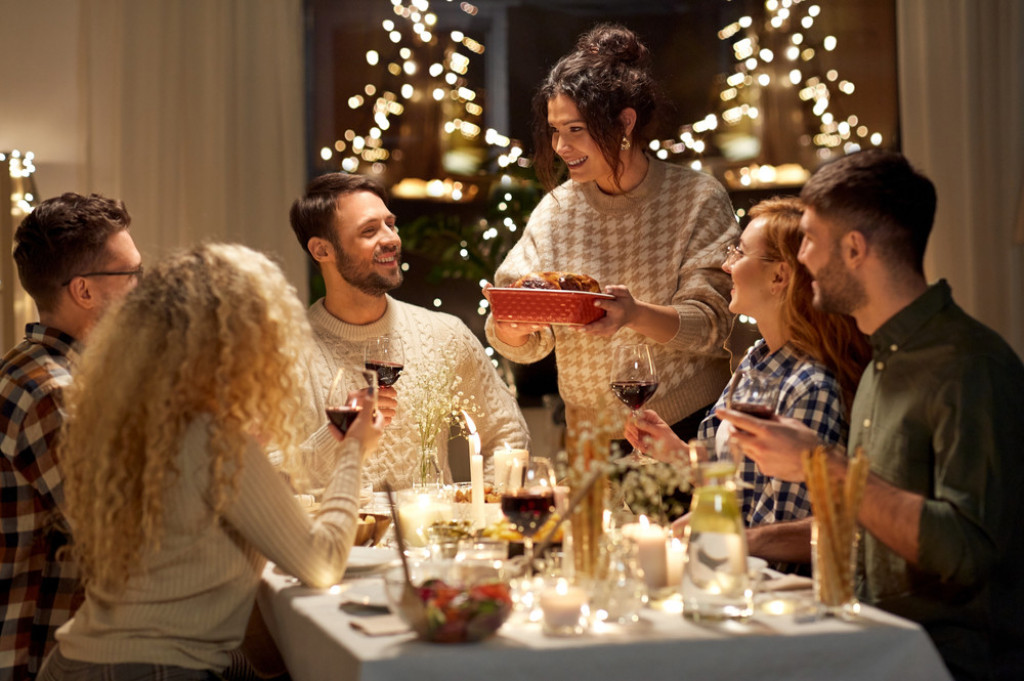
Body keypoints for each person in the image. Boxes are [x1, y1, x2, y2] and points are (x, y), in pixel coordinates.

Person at [719, 150, 1024, 681]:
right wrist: (758, 541)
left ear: (855, 249)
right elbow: (874, 522)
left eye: (810, 239)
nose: (802, 259)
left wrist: (822, 465)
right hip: (872, 636)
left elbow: (967, 551)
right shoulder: (882, 360)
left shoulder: (970, 366)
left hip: (943, 661)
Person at [38, 243, 382, 680]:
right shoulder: (213, 438)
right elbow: (322, 562)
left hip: (75, 662)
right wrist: (353, 450)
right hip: (151, 671)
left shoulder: (139, 427)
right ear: (235, 343)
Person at [485, 24, 737, 443]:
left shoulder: (696, 199)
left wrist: (634, 314)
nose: (560, 146)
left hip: (685, 428)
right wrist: (513, 325)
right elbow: (515, 329)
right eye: (555, 130)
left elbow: (716, 326)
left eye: (576, 129)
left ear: (625, 122)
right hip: (590, 439)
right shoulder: (556, 211)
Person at [625, 196, 870, 571]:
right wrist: (675, 452)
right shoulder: (756, 359)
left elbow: (782, 535)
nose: (727, 265)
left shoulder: (810, 385)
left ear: (779, 277)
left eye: (738, 252)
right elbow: (739, 487)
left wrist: (711, 540)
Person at [288, 173, 528, 490]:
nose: (391, 239)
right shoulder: (283, 352)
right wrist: (337, 432)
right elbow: (261, 474)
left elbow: (508, 432)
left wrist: (483, 508)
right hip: (337, 525)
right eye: (369, 230)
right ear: (322, 250)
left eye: (390, 224)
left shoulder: (444, 335)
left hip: (433, 525)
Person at [1, 193, 141, 681]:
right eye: (132, 275)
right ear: (83, 290)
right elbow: (130, 540)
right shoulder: (56, 395)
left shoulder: (30, 366)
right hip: (45, 654)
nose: (142, 290)